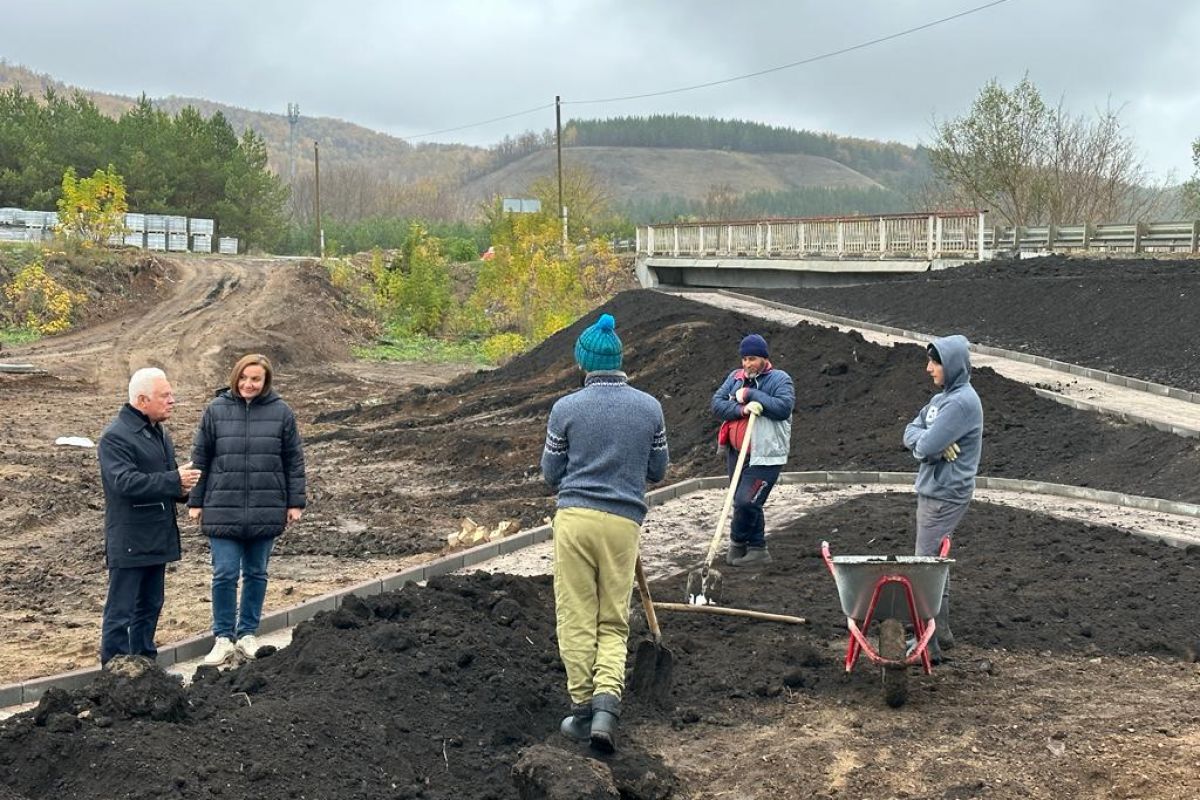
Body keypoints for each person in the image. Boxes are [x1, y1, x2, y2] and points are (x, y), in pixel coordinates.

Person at [542, 313, 669, 754]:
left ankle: (581, 710)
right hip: (623, 523)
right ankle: (606, 710)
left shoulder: (566, 409)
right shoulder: (649, 407)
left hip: (575, 520)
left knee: (576, 615)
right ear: (619, 361)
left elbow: (550, 473)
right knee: (613, 619)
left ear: (584, 364)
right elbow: (658, 470)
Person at [188, 354, 306, 666]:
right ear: (235, 377)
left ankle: (248, 633)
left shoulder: (281, 413)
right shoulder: (216, 410)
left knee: (257, 573)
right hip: (221, 506)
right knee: (225, 572)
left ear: (266, 382)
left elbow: (294, 461)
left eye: (255, 379)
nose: (248, 384)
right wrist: (196, 501)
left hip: (266, 507)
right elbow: (200, 457)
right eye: (244, 378)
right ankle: (223, 637)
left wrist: (295, 502)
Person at [98, 367, 201, 666]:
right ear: (142, 400)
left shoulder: (157, 432)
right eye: (164, 395)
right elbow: (124, 483)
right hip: (131, 538)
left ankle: (144, 664)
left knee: (150, 605)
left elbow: (165, 480)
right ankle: (116, 669)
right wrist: (174, 480)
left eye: (171, 394)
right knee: (122, 609)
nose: (172, 400)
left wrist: (184, 487)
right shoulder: (115, 437)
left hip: (157, 535)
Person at [902, 335, 983, 662]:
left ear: (950, 365)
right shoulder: (943, 399)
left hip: (944, 495)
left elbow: (923, 448)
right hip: (936, 490)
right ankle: (941, 631)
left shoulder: (960, 403)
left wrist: (926, 444)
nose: (929, 368)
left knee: (926, 568)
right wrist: (926, 442)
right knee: (934, 563)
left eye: (935, 362)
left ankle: (929, 644)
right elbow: (911, 431)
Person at [711, 333, 795, 566]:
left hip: (765, 455)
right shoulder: (735, 377)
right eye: (745, 359)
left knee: (746, 501)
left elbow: (783, 408)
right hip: (737, 453)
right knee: (744, 502)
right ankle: (757, 548)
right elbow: (717, 404)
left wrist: (750, 395)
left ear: (764, 359)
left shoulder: (780, 379)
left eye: (753, 359)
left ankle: (738, 542)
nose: (747, 364)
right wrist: (741, 410)